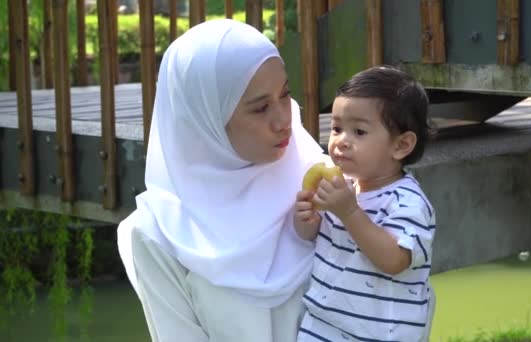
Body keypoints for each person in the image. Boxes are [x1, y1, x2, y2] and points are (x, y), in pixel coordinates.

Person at [116, 19, 325, 341]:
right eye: (260, 108)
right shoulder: (159, 234)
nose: (285, 119)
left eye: (285, 95)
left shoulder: (320, 185)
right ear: (206, 120)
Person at [294, 66, 437, 341]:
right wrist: (305, 222)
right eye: (337, 128)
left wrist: (349, 212)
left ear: (401, 145)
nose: (341, 141)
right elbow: (323, 239)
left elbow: (395, 260)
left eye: (358, 131)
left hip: (378, 332)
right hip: (322, 323)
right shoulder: (343, 185)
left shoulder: (407, 202)